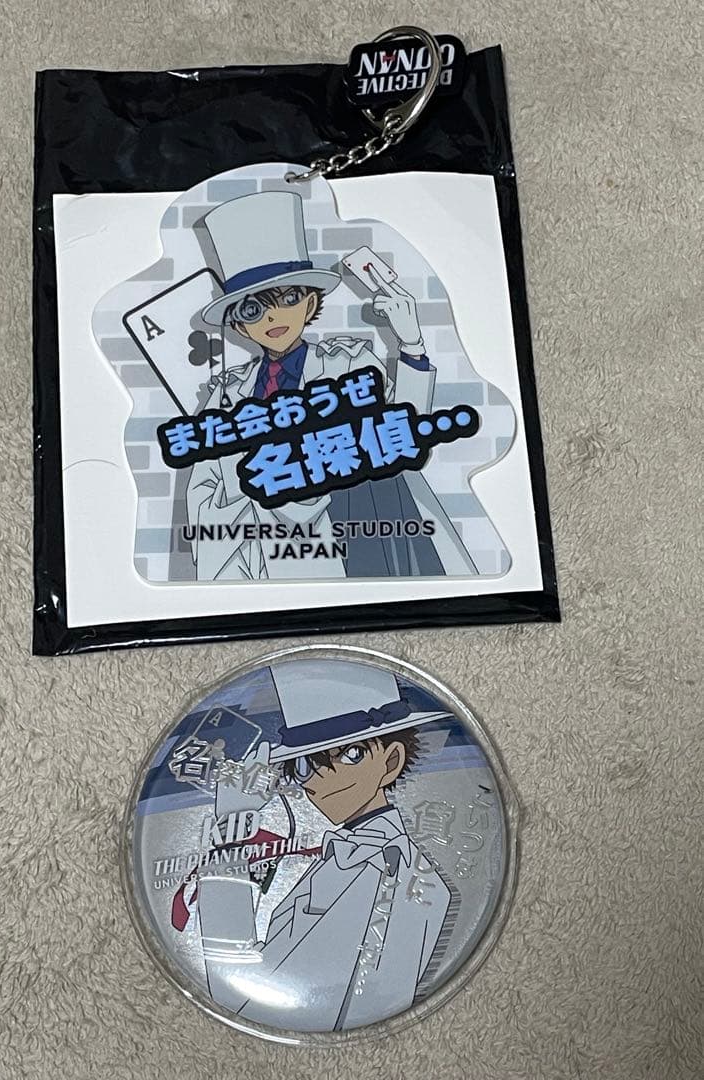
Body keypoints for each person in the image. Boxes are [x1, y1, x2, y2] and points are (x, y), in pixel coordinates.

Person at [186, 189, 477, 580]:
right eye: (253, 309)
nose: (273, 316)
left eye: (289, 297)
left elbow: (407, 430)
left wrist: (411, 346)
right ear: (238, 325)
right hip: (271, 565)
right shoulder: (227, 398)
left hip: (363, 540)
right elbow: (204, 492)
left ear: (310, 303)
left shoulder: (347, 365)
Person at [196, 660, 453, 1032]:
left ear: (391, 761)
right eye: (305, 765)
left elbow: (238, 996)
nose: (319, 780)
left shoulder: (384, 869)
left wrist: (231, 830)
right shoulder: (349, 860)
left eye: (350, 755)